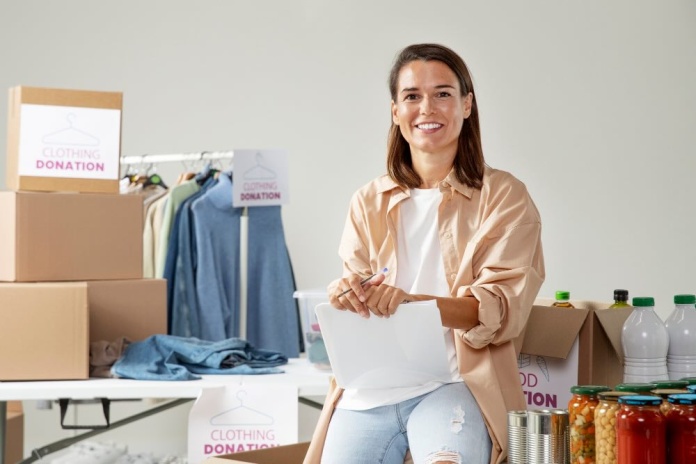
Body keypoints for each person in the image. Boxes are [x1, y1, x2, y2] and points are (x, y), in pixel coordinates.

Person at [304, 43, 545, 464]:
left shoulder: (504, 196)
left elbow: (501, 309)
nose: (427, 108)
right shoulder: (367, 200)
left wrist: (416, 304)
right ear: (395, 111)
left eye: (443, 93)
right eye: (412, 96)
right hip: (369, 390)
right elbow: (359, 289)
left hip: (455, 385)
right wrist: (349, 294)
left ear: (467, 105)